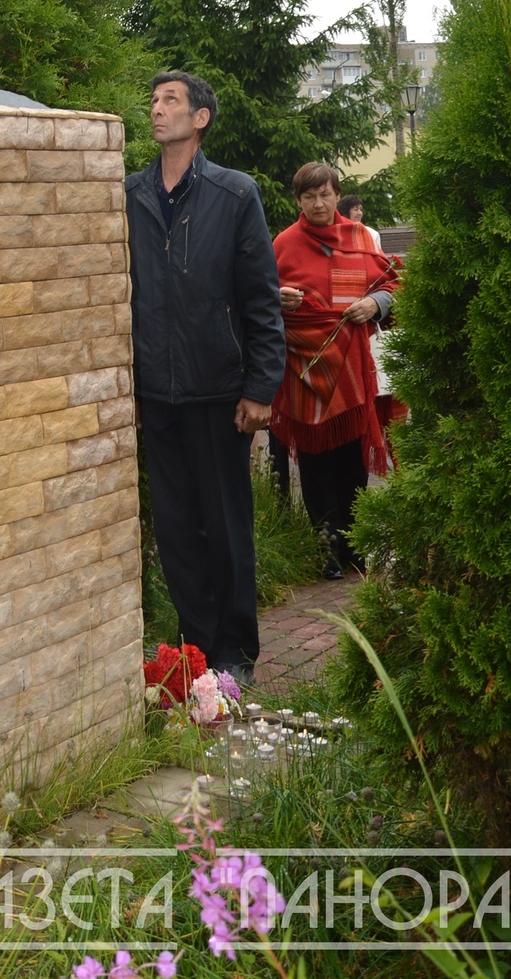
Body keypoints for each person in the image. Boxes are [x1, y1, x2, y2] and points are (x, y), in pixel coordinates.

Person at [126, 72, 286, 679]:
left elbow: (261, 300)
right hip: (158, 395)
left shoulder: (234, 193)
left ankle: (235, 654)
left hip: (220, 391)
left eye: (170, 101)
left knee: (224, 528)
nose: (157, 109)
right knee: (174, 533)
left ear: (200, 119)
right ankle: (193, 652)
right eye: (154, 100)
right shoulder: (131, 193)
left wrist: (260, 388)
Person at [271, 163, 400, 576]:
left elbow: (394, 282)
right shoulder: (284, 244)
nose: (318, 203)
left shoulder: (360, 237)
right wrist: (277, 298)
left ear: (336, 194)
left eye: (325, 194)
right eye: (309, 197)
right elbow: (254, 295)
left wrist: (376, 304)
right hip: (304, 369)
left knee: (351, 459)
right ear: (298, 201)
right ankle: (326, 549)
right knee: (314, 460)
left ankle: (354, 546)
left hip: (352, 368)